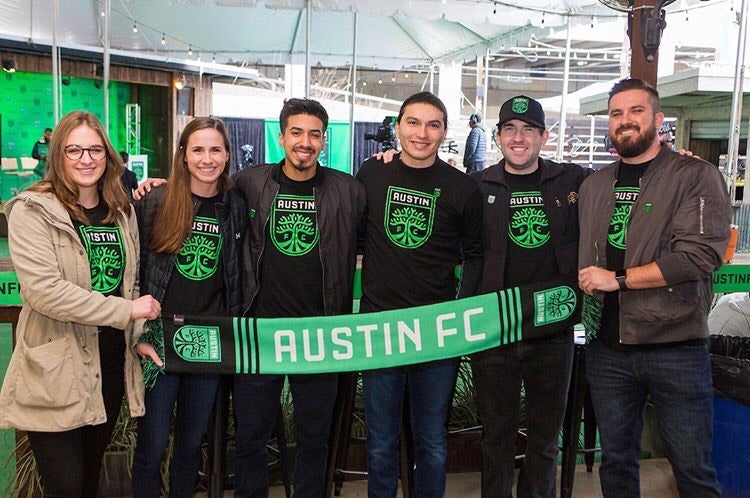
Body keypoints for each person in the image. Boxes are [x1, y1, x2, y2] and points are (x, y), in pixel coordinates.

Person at [578, 78, 730, 497]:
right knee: (617, 463)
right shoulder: (593, 184)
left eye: (636, 111)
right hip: (607, 350)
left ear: (659, 120)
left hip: (674, 346)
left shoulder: (694, 175)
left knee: (693, 469)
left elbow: (699, 256)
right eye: (616, 114)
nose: (625, 121)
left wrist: (619, 280)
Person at [0, 110, 161, 497]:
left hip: (108, 364)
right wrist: (128, 313)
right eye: (74, 150)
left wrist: (135, 332)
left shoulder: (121, 212)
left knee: (90, 478)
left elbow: (131, 283)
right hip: (56, 368)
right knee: (66, 486)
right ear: (57, 155)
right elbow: (45, 292)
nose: (85, 159)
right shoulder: (31, 210)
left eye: (94, 149)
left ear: (108, 156)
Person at [232, 98, 365, 498]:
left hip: (320, 333)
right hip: (261, 332)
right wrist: (157, 185)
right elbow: (202, 193)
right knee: (251, 437)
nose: (304, 142)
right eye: (296, 132)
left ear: (324, 140)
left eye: (314, 134)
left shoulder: (349, 190)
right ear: (281, 136)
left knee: (313, 438)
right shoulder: (251, 183)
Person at [357, 91, 483, 498]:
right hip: (381, 329)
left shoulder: (462, 188)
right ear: (398, 127)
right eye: (413, 122)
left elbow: (477, 254)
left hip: (436, 333)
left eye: (433, 124)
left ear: (445, 132)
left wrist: (461, 308)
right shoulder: (372, 174)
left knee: (431, 442)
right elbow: (356, 239)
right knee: (379, 444)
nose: (422, 133)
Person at [470, 95, 587, 498]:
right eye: (510, 129)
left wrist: (671, 160)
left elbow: (628, 177)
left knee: (543, 439)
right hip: (494, 331)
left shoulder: (571, 181)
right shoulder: (477, 186)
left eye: (528, 130)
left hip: (552, 331)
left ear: (543, 136)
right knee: (496, 437)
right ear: (499, 136)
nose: (518, 138)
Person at [130, 117, 246, 498]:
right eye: (197, 149)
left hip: (208, 341)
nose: (207, 158)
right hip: (160, 339)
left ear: (227, 155)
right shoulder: (157, 200)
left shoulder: (235, 206)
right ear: (183, 154)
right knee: (152, 443)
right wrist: (139, 332)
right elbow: (139, 269)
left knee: (191, 445)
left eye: (215, 149)